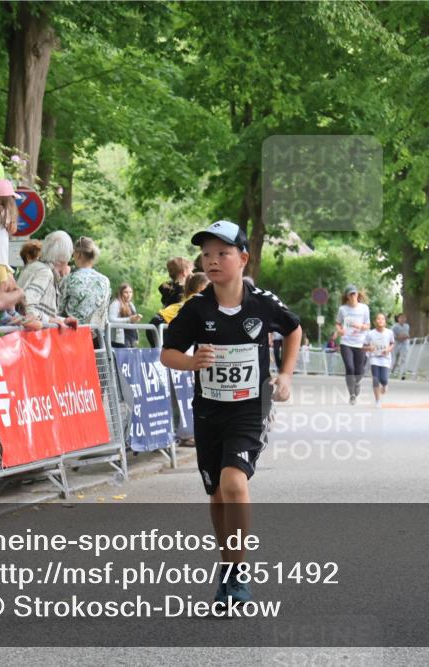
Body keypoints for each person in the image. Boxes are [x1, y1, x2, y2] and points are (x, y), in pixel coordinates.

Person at [160, 220, 301, 608]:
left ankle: (238, 574)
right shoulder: (196, 308)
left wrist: (285, 375)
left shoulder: (262, 302)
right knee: (219, 494)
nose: (213, 260)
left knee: (234, 482)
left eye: (222, 253)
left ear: (242, 258)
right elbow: (167, 353)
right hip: (209, 412)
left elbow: (293, 329)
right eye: (207, 254)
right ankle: (228, 566)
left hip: (251, 409)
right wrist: (191, 362)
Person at [18, 230, 72, 324]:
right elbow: (28, 306)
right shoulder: (45, 273)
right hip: (29, 335)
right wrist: (50, 320)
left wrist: (64, 320)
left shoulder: (35, 267)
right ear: (65, 257)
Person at [58, 236, 111, 327]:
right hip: (95, 335)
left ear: (79, 254)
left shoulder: (69, 279)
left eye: (73, 253)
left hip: (71, 333)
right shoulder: (105, 281)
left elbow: (58, 309)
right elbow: (104, 313)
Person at [336, 285, 371, 405]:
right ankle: (351, 394)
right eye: (350, 294)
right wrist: (340, 330)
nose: (353, 296)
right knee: (350, 368)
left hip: (360, 342)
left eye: (354, 293)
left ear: (358, 295)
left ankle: (357, 383)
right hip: (346, 342)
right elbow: (337, 323)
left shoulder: (364, 308)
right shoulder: (342, 309)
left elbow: (367, 325)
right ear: (347, 296)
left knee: (359, 370)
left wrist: (360, 326)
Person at [364, 312, 395, 408]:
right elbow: (363, 346)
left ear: (385, 322)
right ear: (374, 321)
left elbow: (392, 344)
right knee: (376, 380)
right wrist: (369, 348)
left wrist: (388, 350)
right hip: (374, 358)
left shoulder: (389, 332)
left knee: (384, 379)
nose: (380, 320)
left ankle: (385, 385)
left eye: (382, 319)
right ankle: (378, 400)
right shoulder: (370, 334)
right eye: (378, 319)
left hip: (385, 359)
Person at [108, 283, 143, 348]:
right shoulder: (116, 303)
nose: (129, 294)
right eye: (126, 292)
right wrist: (129, 319)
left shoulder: (131, 305)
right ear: (120, 293)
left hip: (131, 339)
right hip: (120, 340)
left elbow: (132, 321)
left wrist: (135, 319)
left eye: (130, 292)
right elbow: (111, 319)